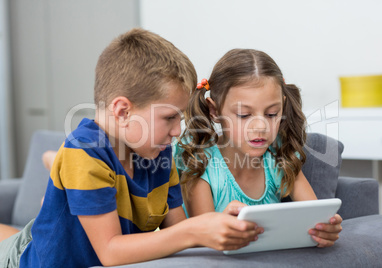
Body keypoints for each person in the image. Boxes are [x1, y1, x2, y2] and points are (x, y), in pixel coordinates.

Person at [0, 29, 264, 267]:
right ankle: (53, 166)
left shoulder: (159, 151)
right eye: (169, 118)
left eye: (179, 119)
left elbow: (178, 229)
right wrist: (194, 231)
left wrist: (216, 224)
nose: (177, 131)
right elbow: (110, 252)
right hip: (27, 259)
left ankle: (53, 172)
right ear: (124, 111)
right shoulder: (84, 152)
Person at [174, 48, 342, 248]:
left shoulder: (281, 154)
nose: (261, 127)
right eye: (244, 115)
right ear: (214, 110)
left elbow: (315, 215)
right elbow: (203, 244)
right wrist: (221, 224)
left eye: (272, 114)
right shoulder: (199, 161)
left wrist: (325, 230)